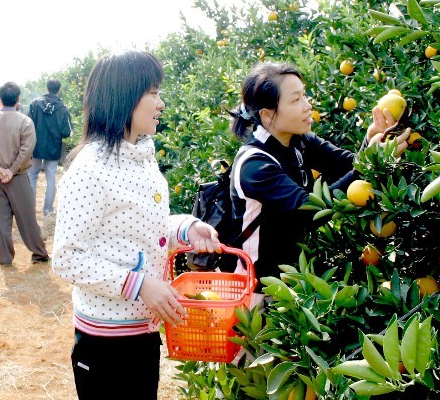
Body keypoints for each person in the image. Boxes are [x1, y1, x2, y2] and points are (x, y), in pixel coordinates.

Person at [52, 50, 221, 400]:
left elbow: (138, 226)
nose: (160, 103)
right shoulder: (90, 170)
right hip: (106, 341)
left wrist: (185, 229)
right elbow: (67, 258)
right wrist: (139, 285)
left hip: (143, 328)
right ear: (124, 97)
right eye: (153, 93)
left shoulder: (141, 156)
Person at [229, 62, 411, 304]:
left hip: (296, 283)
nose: (307, 105)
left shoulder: (300, 142)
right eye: (295, 100)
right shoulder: (254, 165)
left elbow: (347, 165)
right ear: (267, 114)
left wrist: (373, 139)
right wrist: (371, 159)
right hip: (257, 293)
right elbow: (308, 210)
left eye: (304, 95)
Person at [0, 82, 49, 266]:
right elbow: (27, 150)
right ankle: (39, 254)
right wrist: (11, 170)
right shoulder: (25, 122)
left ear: (0, 99)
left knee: (2, 221)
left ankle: (5, 259)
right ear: (18, 99)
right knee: (27, 219)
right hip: (18, 178)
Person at [28, 79, 72, 216]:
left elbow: (28, 125)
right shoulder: (63, 108)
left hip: (35, 145)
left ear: (47, 88)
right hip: (53, 146)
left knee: (32, 174)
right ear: (58, 90)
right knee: (51, 178)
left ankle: (29, 209)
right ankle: (47, 210)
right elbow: (67, 132)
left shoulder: (35, 103)